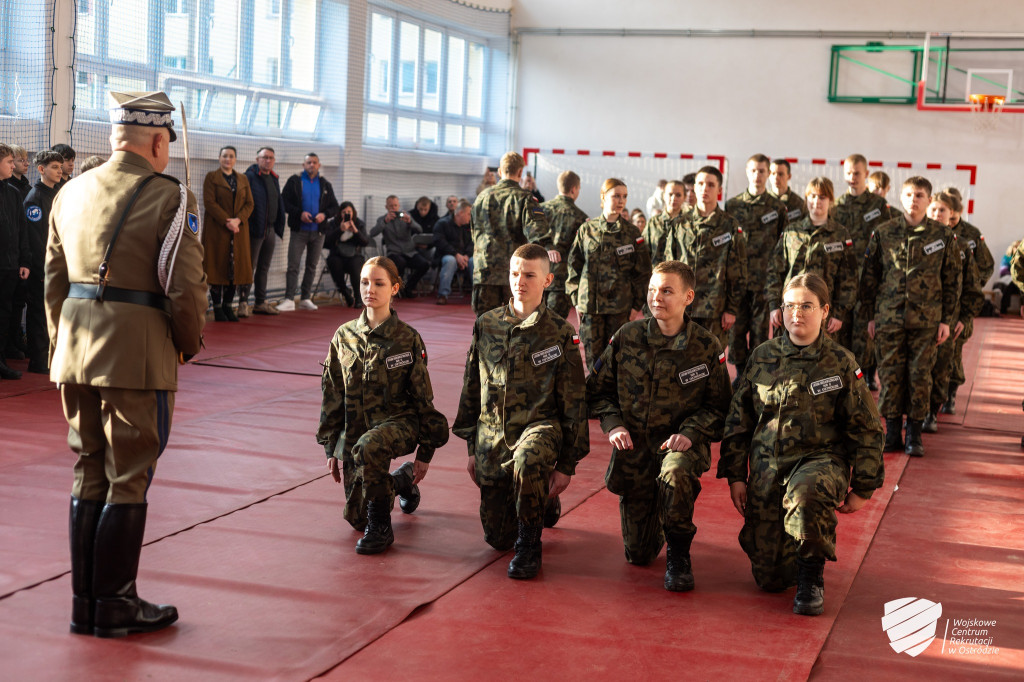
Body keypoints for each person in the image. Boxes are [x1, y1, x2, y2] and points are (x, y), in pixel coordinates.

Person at [46, 91, 207, 637]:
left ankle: (83, 604)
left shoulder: (69, 191)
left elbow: (53, 283)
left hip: (74, 350)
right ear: (159, 141)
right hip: (136, 354)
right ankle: (115, 605)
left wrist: (61, 347)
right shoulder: (169, 197)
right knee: (129, 475)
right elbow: (186, 289)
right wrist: (189, 343)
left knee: (88, 465)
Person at [718, 273, 884, 616]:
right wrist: (736, 475)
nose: (798, 314)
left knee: (806, 495)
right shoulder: (762, 356)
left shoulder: (840, 363)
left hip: (820, 461)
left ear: (824, 311)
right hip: (768, 468)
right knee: (770, 577)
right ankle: (792, 559)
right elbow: (739, 421)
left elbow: (866, 428)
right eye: (790, 306)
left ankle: (812, 577)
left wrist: (864, 486)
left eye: (807, 306)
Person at [587, 261, 731, 591]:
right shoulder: (628, 336)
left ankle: (679, 554)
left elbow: (721, 408)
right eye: (652, 290)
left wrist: (691, 432)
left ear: (688, 297)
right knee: (638, 555)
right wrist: (613, 425)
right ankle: (659, 514)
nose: (657, 297)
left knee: (676, 473)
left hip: (678, 448)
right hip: (635, 452)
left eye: (667, 291)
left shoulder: (705, 347)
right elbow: (596, 391)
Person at [454, 244, 588, 579]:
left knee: (529, 460)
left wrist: (567, 465)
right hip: (494, 436)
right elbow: (473, 385)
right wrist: (473, 447)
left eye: (529, 275)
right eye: (515, 273)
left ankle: (530, 544)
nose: (520, 281)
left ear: (547, 281)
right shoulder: (486, 324)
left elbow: (573, 400)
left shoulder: (559, 332)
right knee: (498, 539)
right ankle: (541, 500)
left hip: (539, 429)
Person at [317, 256, 449, 555]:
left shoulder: (407, 339)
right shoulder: (344, 336)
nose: (370, 289)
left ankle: (382, 529)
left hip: (400, 424)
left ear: (395, 289)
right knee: (356, 518)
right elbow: (332, 395)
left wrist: (425, 452)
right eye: (365, 282)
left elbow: (423, 399)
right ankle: (401, 481)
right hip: (356, 433)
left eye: (379, 283)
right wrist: (331, 448)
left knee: (369, 447)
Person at [860, 177, 960, 457]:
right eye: (908, 195)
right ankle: (891, 433)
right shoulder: (883, 232)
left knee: (919, 377)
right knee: (890, 376)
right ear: (901, 199)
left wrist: (946, 321)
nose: (913, 200)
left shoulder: (942, 237)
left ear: (929, 201)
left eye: (919, 195)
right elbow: (869, 278)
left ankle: (914, 435)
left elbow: (952, 280)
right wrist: (870, 316)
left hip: (926, 323)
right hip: (888, 319)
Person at [567, 177, 652, 371]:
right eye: (616, 196)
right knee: (592, 359)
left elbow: (643, 272)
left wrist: (636, 305)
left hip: (619, 309)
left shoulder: (632, 234)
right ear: (603, 197)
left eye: (624, 197)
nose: (621, 201)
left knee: (617, 358)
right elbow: (573, 266)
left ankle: (612, 400)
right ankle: (594, 399)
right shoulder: (587, 230)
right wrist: (576, 298)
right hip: (591, 306)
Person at [765, 177, 857, 338]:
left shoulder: (840, 234)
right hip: (791, 313)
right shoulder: (791, 232)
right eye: (812, 196)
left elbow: (848, 279)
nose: (817, 201)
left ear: (830, 200)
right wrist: (774, 306)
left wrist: (840, 313)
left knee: (822, 361)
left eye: (822, 197)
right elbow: (775, 271)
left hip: (824, 317)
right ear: (806, 199)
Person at [923, 192, 983, 433]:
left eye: (943, 210)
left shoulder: (961, 247)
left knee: (940, 369)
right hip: (916, 319)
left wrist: (964, 318)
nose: (938, 214)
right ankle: (914, 415)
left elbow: (972, 287)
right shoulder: (914, 240)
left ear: (952, 217)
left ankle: (931, 414)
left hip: (947, 319)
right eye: (934, 209)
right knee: (915, 370)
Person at [725, 153, 788, 379]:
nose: (758, 175)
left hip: (764, 282)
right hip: (738, 282)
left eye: (763, 171)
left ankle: (757, 377)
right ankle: (740, 377)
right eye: (754, 170)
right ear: (747, 172)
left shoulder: (778, 207)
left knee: (761, 333)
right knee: (737, 333)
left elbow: (783, 246)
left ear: (768, 174)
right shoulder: (733, 205)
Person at [470, 151, 554, 316]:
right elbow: (537, 235)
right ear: (520, 172)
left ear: (500, 172)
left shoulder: (481, 198)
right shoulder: (525, 199)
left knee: (486, 326)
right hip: (516, 275)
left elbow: (474, 233)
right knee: (519, 324)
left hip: (484, 271)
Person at [835, 154, 891, 391]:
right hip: (841, 283)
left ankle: (863, 378)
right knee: (840, 336)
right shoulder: (836, 206)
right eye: (848, 173)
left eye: (857, 173)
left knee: (864, 338)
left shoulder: (878, 206)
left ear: (866, 174)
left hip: (868, 282)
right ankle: (842, 381)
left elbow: (887, 244)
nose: (852, 178)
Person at [677, 166, 746, 350]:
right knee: (680, 361)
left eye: (710, 184)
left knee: (713, 363)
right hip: (683, 307)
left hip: (715, 310)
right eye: (700, 183)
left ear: (719, 190)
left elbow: (737, 272)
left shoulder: (729, 225)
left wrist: (731, 309)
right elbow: (669, 266)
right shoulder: (680, 223)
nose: (704, 188)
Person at [21, 150, 65, 374]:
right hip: (42, 267)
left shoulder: (56, 193)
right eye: (55, 167)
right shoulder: (35, 199)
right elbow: (35, 239)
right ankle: (38, 360)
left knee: (53, 313)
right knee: (39, 313)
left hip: (56, 266)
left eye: (60, 167)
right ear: (41, 170)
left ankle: (51, 356)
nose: (59, 171)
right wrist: (42, 268)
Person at [280, 152, 339, 311]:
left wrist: (324, 215)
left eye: (314, 162)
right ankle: (289, 299)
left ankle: (305, 298)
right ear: (303, 165)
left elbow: (335, 207)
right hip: (299, 231)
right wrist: (299, 214)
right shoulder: (294, 181)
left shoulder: (325, 184)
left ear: (319, 165)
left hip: (318, 233)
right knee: (293, 265)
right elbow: (283, 202)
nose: (311, 165)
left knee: (312, 266)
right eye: (308, 162)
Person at [202, 146, 254, 322]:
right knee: (217, 266)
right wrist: (227, 221)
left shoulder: (243, 179)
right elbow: (209, 202)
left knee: (236, 268)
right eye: (224, 156)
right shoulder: (212, 177)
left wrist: (238, 220)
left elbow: (249, 204)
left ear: (235, 159)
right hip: (217, 230)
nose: (227, 159)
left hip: (239, 231)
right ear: (219, 158)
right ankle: (217, 307)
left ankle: (228, 305)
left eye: (231, 156)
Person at [242, 147, 287, 316]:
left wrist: (279, 227)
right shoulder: (249, 177)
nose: (268, 160)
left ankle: (260, 302)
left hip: (270, 229)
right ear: (257, 159)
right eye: (264, 157)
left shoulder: (274, 178)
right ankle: (243, 302)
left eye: (271, 158)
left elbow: (278, 202)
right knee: (249, 268)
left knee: (264, 268)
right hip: (255, 231)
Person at [0, 143, 30, 380]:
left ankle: (1, 361)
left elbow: (21, 231)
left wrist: (24, 261)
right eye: (9, 161)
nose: (13, 165)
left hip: (10, 266)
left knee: (5, 315)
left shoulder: (13, 193)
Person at [540, 170, 588, 318]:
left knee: (532, 322)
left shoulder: (540, 210)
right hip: (562, 279)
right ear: (574, 189)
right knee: (555, 325)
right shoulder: (581, 217)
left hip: (537, 274)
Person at [371, 195, 430, 298]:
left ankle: (408, 287)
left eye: (395, 205)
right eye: (391, 206)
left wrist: (410, 222)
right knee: (400, 263)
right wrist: (385, 221)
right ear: (386, 207)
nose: (393, 208)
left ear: (398, 206)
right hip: (394, 252)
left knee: (424, 264)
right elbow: (372, 233)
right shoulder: (382, 219)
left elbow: (420, 230)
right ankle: (399, 288)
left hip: (409, 251)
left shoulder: (406, 217)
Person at [324, 201, 369, 308]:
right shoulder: (333, 223)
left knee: (355, 266)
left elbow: (365, 242)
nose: (346, 214)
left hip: (354, 255)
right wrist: (339, 230)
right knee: (334, 263)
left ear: (353, 212)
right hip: (337, 254)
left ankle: (358, 297)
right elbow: (325, 242)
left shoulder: (359, 223)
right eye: (344, 212)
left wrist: (356, 231)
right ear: (340, 213)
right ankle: (345, 292)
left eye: (349, 211)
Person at [433, 199, 473, 305]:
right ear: (460, 213)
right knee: (450, 261)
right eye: (469, 214)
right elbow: (440, 242)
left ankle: (478, 296)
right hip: (447, 255)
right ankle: (443, 294)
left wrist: (467, 256)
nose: (470, 217)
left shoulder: (469, 226)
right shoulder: (442, 224)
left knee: (475, 261)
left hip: (465, 257)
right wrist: (456, 255)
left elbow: (473, 243)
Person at [641, 179, 687, 267]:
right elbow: (644, 252)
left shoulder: (690, 223)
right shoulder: (653, 223)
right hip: (658, 275)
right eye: (670, 194)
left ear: (684, 197)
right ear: (664, 196)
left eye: (678, 195)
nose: (674, 198)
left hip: (682, 276)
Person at [769, 158, 806, 224]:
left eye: (780, 174)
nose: (776, 177)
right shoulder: (762, 201)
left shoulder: (799, 204)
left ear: (789, 176)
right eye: (773, 173)